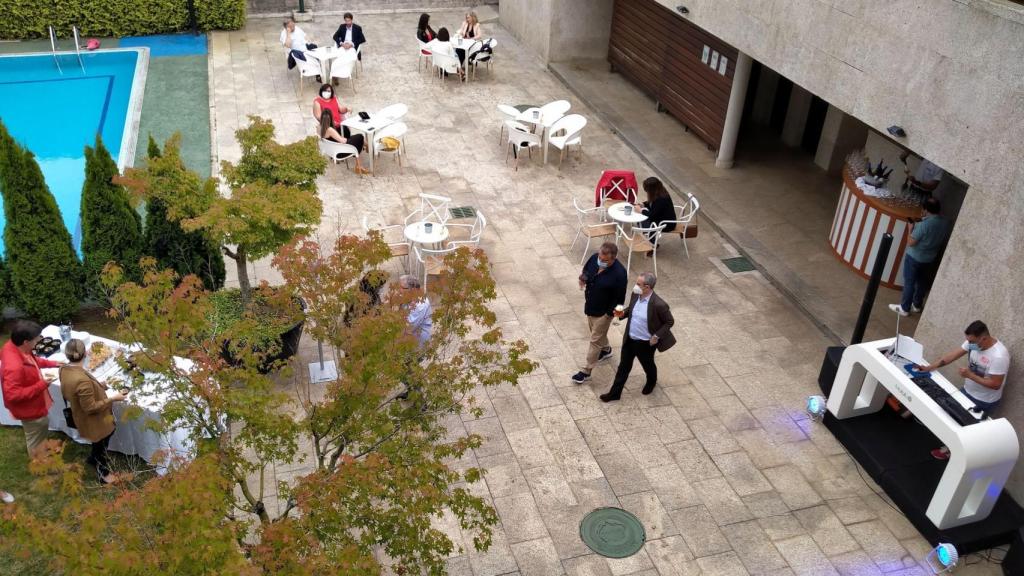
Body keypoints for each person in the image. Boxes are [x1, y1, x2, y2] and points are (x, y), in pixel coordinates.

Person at [915, 321, 1010, 460]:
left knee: (966, 428)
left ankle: (950, 451)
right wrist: (930, 367)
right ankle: (945, 440)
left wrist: (970, 375)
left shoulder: (999, 356)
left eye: (970, 340)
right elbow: (952, 356)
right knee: (951, 413)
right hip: (967, 391)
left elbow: (996, 384)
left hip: (983, 401)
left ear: (983, 338)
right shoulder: (974, 344)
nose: (968, 343)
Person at [600, 272, 676, 402]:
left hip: (645, 343)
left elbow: (669, 321)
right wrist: (622, 313)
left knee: (648, 364)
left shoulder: (659, 304)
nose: (635, 286)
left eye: (638, 284)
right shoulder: (635, 294)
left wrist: (656, 336)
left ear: (647, 287)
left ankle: (651, 381)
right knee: (623, 367)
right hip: (630, 339)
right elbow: (632, 309)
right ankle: (614, 393)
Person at [60, 339, 127, 484]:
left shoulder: (64, 369)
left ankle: (92, 458)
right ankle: (104, 474)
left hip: (80, 414)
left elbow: (72, 392)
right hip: (94, 420)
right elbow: (90, 407)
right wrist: (113, 398)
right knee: (102, 442)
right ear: (85, 354)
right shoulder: (81, 380)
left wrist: (98, 386)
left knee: (98, 443)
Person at [1, 320, 65, 459]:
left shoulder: (13, 346)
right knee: (35, 434)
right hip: (29, 410)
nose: (40, 340)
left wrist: (51, 363)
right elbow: (13, 395)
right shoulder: (14, 367)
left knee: (39, 431)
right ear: (26, 342)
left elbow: (31, 360)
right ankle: (39, 462)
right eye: (37, 339)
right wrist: (42, 385)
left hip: (34, 403)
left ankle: (42, 448)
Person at [572, 242, 628, 384]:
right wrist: (583, 278)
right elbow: (586, 271)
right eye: (600, 258)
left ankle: (586, 371)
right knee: (596, 333)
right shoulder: (594, 258)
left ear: (613, 258)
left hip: (605, 312)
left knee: (595, 340)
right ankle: (607, 350)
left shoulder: (620, 274)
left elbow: (620, 298)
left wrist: (615, 315)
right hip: (591, 306)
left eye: (605, 261)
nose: (600, 261)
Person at [888, 197, 949, 317]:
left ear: (925, 210)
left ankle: (904, 308)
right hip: (930, 259)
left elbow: (911, 242)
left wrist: (910, 229)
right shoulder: (944, 223)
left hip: (914, 257)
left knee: (909, 282)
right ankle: (917, 305)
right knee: (922, 282)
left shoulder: (923, 226)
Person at [313, 83, 369, 174]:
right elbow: (318, 116)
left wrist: (346, 109)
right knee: (360, 138)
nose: (327, 93)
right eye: (325, 91)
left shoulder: (334, 99)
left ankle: (364, 147)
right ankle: (362, 151)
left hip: (337, 129)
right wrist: (331, 123)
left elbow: (340, 109)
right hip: (338, 140)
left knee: (349, 133)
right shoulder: (317, 102)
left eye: (329, 91)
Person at [638, 177, 676, 245]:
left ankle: (652, 244)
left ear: (652, 190)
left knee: (642, 221)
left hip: (667, 224)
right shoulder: (660, 192)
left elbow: (652, 215)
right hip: (662, 218)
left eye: (647, 190)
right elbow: (653, 204)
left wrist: (640, 211)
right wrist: (644, 204)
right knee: (642, 220)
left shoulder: (661, 200)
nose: (646, 191)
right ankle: (649, 238)